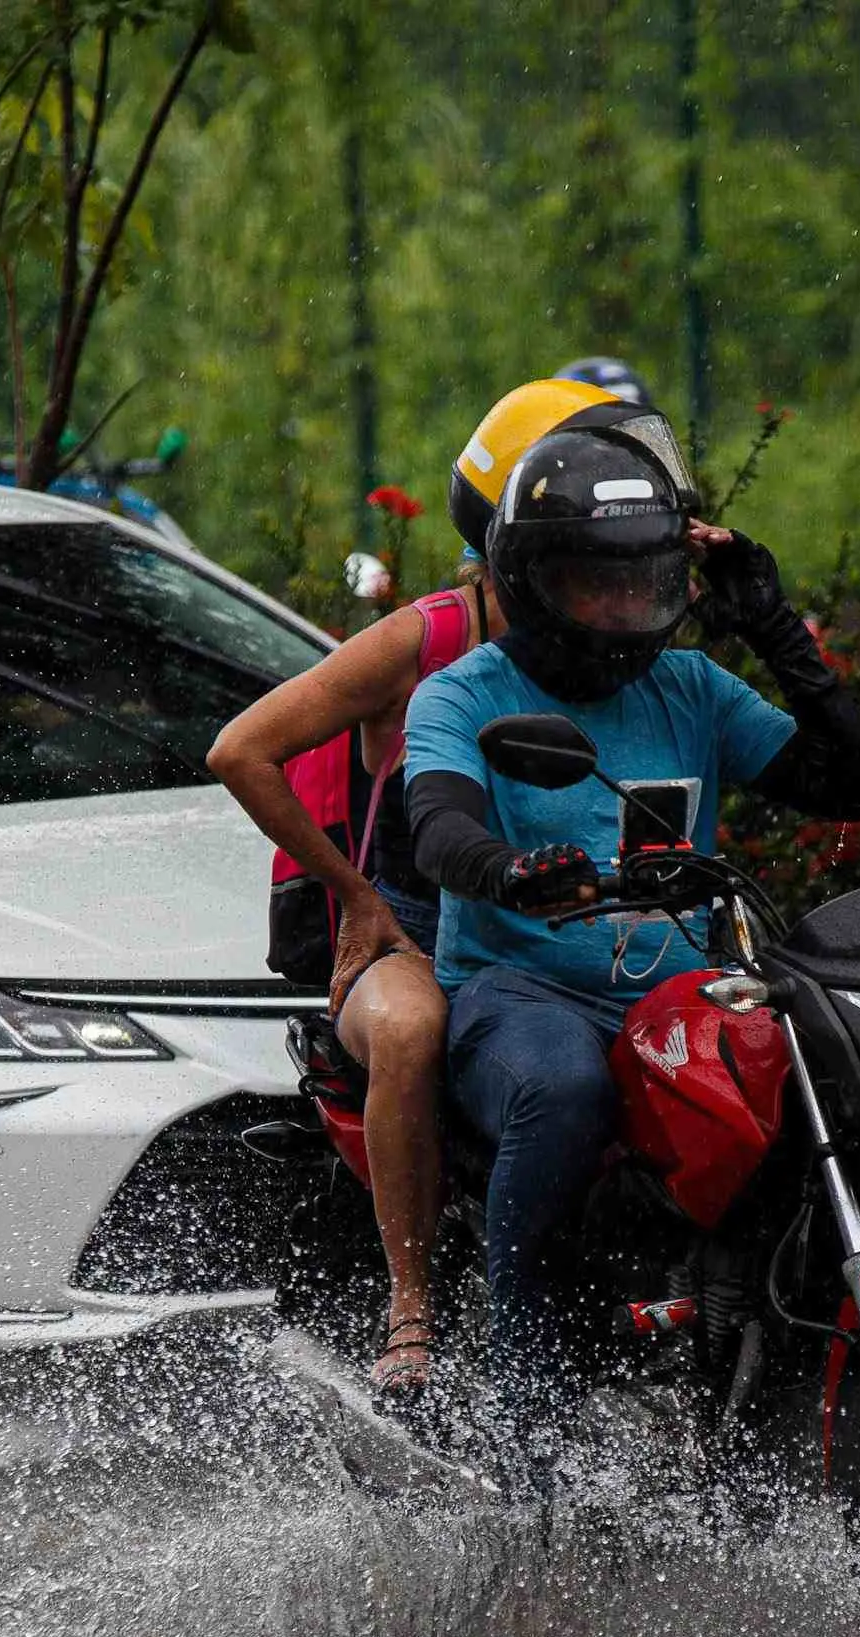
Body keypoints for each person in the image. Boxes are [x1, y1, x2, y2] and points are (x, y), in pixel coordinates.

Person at [403, 423, 860, 1433]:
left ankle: (778, 1356)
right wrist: (509, 871)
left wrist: (775, 626)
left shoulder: (693, 687)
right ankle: (525, 1390)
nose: (627, 608)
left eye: (646, 581)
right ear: (534, 581)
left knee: (829, 1081)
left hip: (684, 1000)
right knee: (562, 1088)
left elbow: (852, 786)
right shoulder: (461, 693)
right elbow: (440, 827)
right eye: (599, 582)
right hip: (521, 994)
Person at [208, 376, 623, 1396]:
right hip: (418, 929)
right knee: (407, 1029)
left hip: (564, 923)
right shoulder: (427, 639)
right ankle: (413, 1301)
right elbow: (241, 749)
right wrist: (355, 896)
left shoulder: (619, 636)